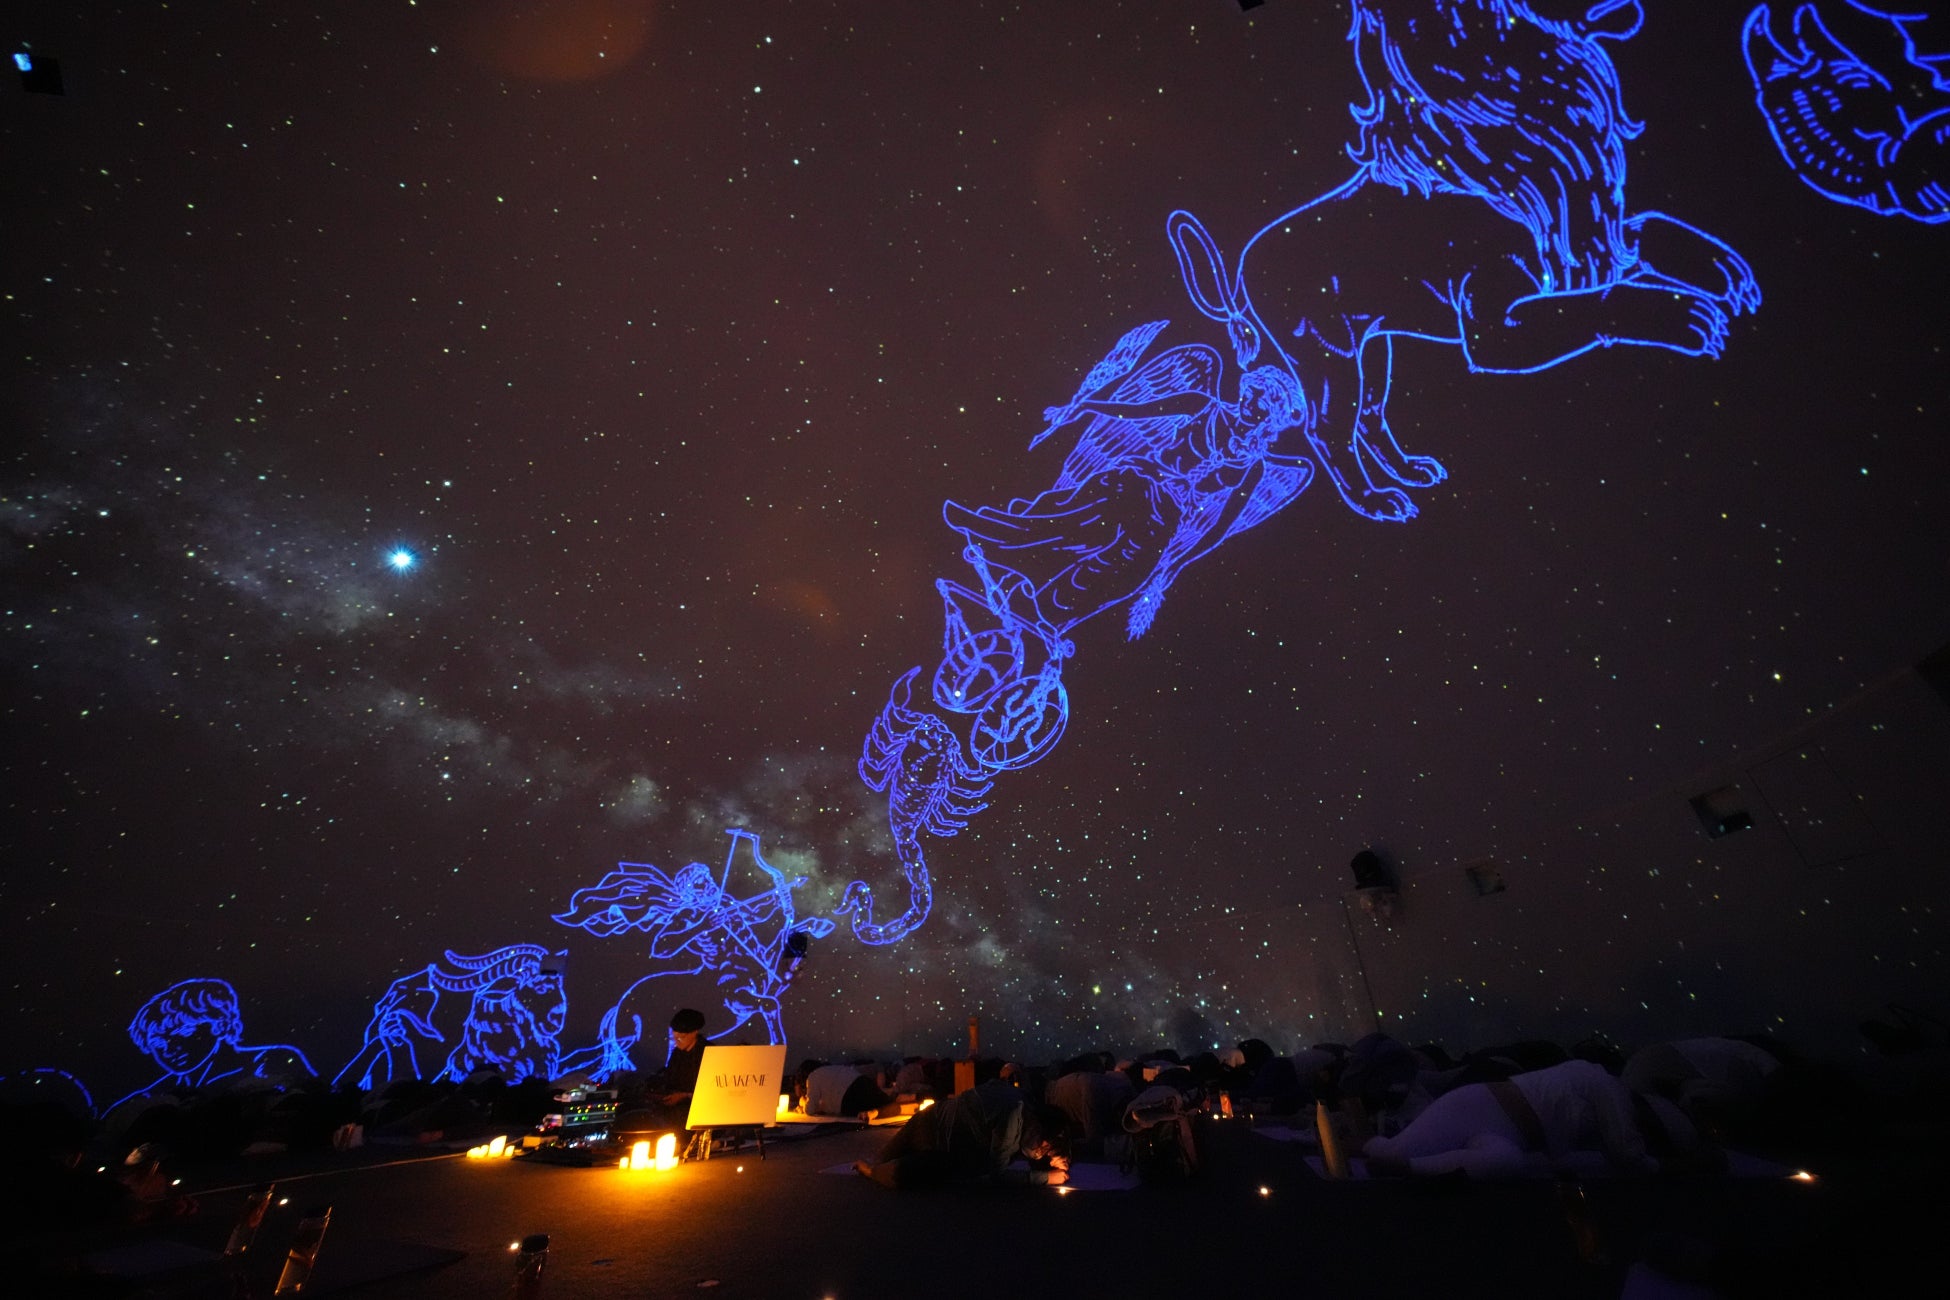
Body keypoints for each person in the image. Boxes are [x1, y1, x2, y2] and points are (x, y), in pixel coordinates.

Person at [1360, 1059, 1704, 1179]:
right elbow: (1627, 1153)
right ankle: (1358, 1142)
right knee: (1391, 1150)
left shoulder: (1602, 1104)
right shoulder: (1608, 1088)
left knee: (1507, 1162)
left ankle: (1408, 1169)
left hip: (1509, 1135)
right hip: (1475, 1107)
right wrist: (1676, 1167)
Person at [854, 1080, 1070, 1188]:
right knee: (897, 1171)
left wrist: (1051, 1158)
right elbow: (995, 1175)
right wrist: (1045, 1178)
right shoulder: (1012, 1119)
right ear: (1038, 1126)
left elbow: (1032, 1147)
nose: (1040, 1151)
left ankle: (875, 1167)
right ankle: (872, 1171)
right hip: (934, 1139)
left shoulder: (1026, 1106)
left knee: (885, 1159)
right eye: (1043, 1147)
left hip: (935, 1119)